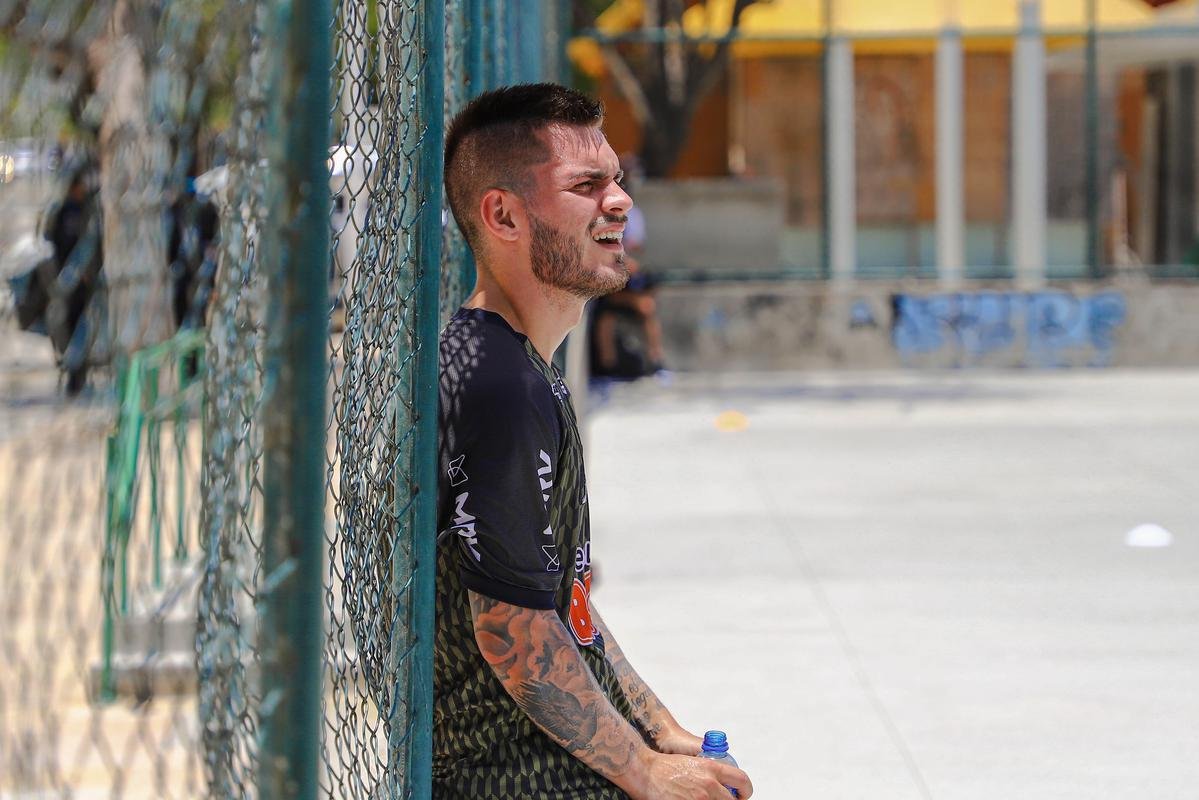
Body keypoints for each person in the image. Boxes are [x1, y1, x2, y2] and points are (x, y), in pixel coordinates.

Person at [436, 83, 753, 799]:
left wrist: (658, 726)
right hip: (509, 780)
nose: (619, 203)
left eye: (616, 180)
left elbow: (560, 597)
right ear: (504, 215)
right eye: (586, 186)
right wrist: (644, 773)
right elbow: (511, 631)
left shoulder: (517, 365)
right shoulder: (498, 386)